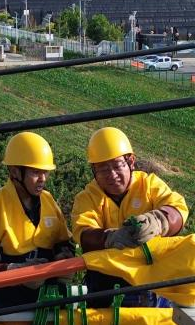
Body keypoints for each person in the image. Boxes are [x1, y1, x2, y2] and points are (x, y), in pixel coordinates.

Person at [71, 127, 188, 307]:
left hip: (151, 282)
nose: (112, 175)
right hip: (105, 285)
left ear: (131, 162)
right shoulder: (87, 198)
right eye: (103, 169)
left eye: (117, 165)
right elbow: (83, 234)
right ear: (94, 170)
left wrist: (159, 221)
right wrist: (110, 238)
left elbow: (178, 209)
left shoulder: (149, 185)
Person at [0, 132, 75, 309]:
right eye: (36, 172)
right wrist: (13, 271)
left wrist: (64, 255)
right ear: (15, 171)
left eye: (45, 172)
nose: (43, 179)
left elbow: (63, 242)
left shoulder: (49, 201)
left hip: (51, 305)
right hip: (7, 308)